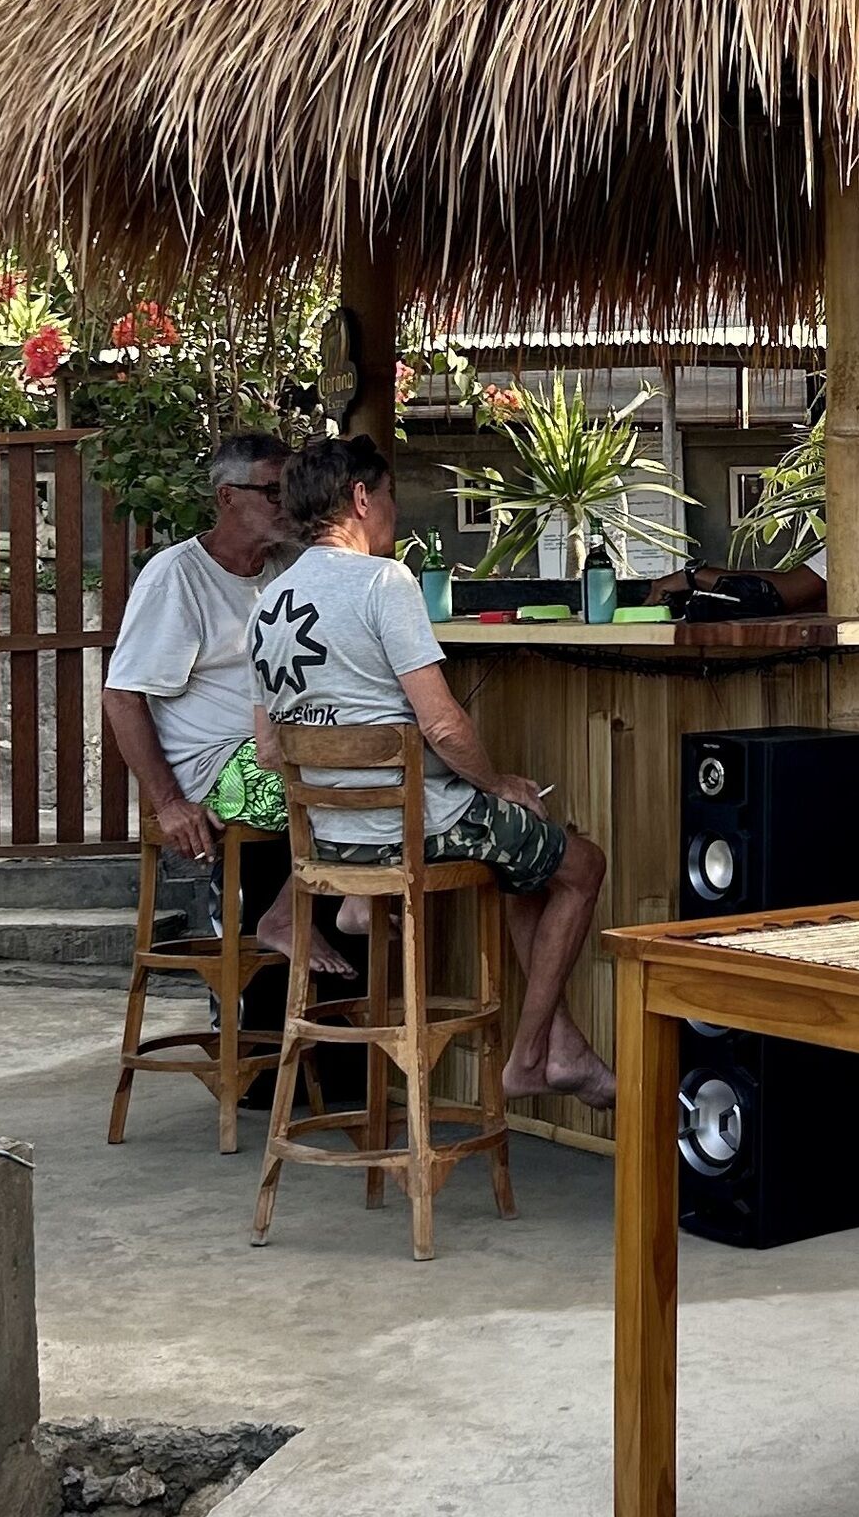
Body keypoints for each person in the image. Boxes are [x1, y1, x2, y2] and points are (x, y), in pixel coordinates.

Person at [248, 432, 614, 1107]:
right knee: (580, 864)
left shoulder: (268, 601)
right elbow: (443, 724)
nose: (393, 511)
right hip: (413, 829)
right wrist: (498, 783)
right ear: (361, 498)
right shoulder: (383, 580)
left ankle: (560, 1048)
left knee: (523, 860)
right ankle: (529, 1057)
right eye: (388, 496)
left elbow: (270, 752)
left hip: (330, 841)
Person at [100, 434, 301, 978]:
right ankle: (254, 1015)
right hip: (221, 768)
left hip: (282, 752)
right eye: (273, 492)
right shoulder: (178, 575)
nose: (288, 505)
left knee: (366, 782)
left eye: (293, 491)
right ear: (227, 496)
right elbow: (122, 694)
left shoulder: (292, 565)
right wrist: (167, 803)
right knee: (346, 790)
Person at [678, 378, 859, 618]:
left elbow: (776, 596)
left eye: (856, 438)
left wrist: (690, 577)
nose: (836, 458)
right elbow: (822, 599)